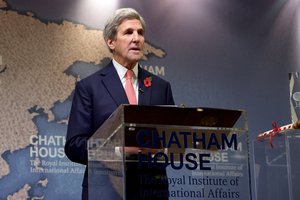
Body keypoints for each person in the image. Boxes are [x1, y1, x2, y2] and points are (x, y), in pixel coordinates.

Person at [65, 8, 175, 200]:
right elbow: (75, 146)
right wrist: (119, 152)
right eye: (128, 32)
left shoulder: (161, 87)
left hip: (151, 191)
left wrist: (166, 148)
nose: (137, 38)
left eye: (140, 33)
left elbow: (173, 140)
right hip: (106, 191)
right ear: (111, 42)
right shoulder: (89, 87)